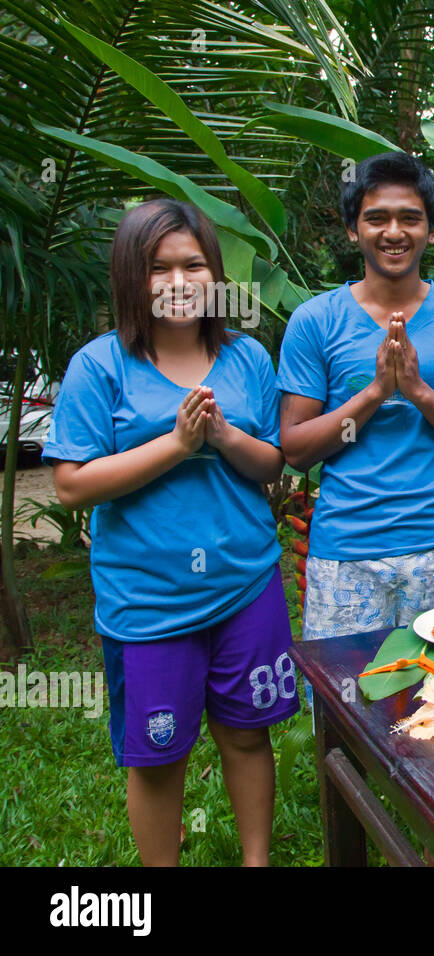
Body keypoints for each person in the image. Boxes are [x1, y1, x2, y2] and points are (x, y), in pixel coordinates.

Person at [44, 199, 295, 865]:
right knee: (157, 757)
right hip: (148, 600)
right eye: (159, 268)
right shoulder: (100, 366)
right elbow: (71, 484)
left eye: (194, 264)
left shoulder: (247, 359)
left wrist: (222, 435)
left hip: (246, 583)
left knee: (247, 734)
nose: (180, 280)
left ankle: (256, 861)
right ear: (132, 276)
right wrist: (178, 444)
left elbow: (270, 463)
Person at [277, 152, 434, 641]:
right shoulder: (315, 321)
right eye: (376, 218)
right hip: (345, 553)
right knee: (347, 703)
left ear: (432, 231)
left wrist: (420, 392)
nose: (394, 232)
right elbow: (295, 449)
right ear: (352, 230)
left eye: (410, 218)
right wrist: (377, 393)